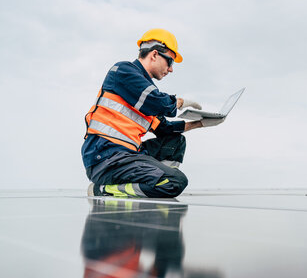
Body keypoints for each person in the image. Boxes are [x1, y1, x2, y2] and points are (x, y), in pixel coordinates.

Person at [82, 28, 223, 198]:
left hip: (126, 155)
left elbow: (165, 128)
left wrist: (201, 123)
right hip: (105, 158)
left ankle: (153, 183)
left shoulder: (143, 96)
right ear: (154, 54)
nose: (170, 69)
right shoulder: (123, 71)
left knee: (176, 141)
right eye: (170, 62)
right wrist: (180, 102)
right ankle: (103, 189)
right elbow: (158, 101)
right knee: (175, 182)